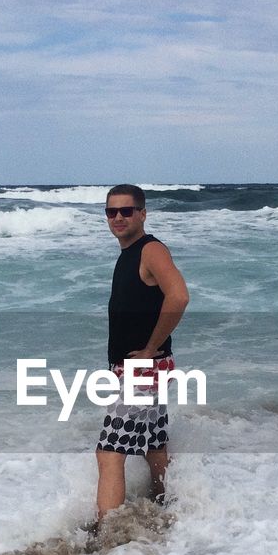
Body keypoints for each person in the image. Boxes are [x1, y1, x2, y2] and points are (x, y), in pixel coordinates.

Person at [95, 184, 190, 519]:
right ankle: (165, 507)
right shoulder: (129, 253)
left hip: (142, 369)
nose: (118, 217)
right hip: (147, 367)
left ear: (142, 214)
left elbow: (178, 296)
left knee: (109, 453)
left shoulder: (151, 250)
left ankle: (107, 534)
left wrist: (150, 348)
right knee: (153, 445)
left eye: (126, 211)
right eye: (111, 211)